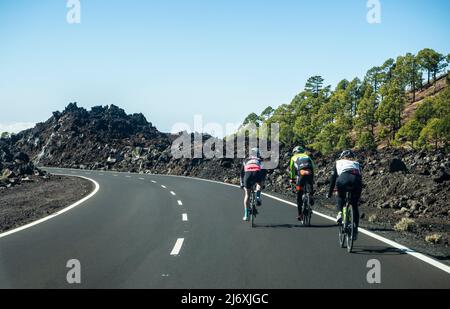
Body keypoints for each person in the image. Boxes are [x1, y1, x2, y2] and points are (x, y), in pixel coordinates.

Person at [327, 150, 363, 240]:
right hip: (356, 180)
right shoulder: (356, 163)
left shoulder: (338, 162)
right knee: (354, 204)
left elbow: (333, 178)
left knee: (341, 197)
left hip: (343, 179)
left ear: (342, 157)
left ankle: (339, 214)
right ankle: (355, 229)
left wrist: (329, 193)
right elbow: (360, 176)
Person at [289, 146, 315, 221]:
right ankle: (311, 196)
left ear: (294, 152)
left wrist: (292, 178)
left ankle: (300, 214)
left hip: (301, 173)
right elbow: (313, 166)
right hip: (310, 171)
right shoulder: (307, 156)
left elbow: (292, 169)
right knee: (310, 184)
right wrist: (313, 176)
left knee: (299, 193)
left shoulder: (293, 157)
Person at [240, 147, 265, 221]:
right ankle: (258, 196)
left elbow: (241, 173)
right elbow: (264, 172)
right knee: (259, 183)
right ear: (258, 154)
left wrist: (241, 183)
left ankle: (246, 215)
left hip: (247, 175)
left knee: (247, 194)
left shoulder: (245, 160)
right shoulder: (260, 160)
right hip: (257, 173)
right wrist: (262, 183)